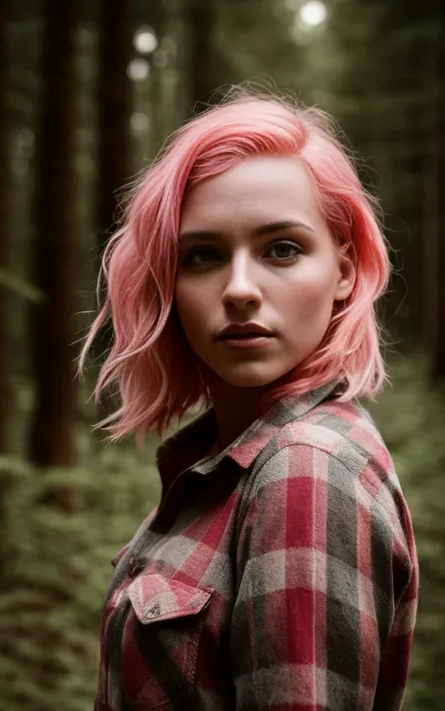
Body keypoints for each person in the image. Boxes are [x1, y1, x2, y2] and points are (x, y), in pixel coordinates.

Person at [80, 90, 418, 711]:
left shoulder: (306, 469)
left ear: (343, 271)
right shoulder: (227, 462)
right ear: (169, 282)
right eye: (203, 255)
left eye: (281, 249)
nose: (239, 289)